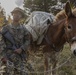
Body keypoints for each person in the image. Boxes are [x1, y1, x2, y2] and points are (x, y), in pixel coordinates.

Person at [0, 7, 30, 75]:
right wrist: (3, 57)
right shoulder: (5, 29)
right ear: (12, 14)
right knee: (5, 72)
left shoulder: (24, 29)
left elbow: (28, 41)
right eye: (15, 13)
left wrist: (21, 49)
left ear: (21, 17)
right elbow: (1, 44)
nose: (16, 15)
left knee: (24, 72)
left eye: (19, 14)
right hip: (7, 56)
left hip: (20, 57)